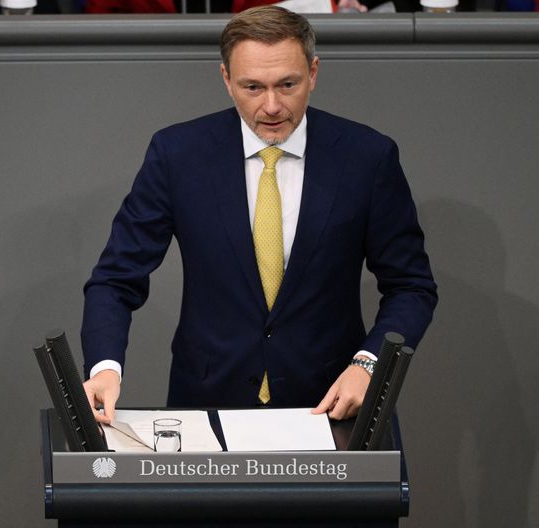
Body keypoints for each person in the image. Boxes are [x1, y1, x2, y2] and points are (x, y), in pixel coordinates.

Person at [81, 5, 437, 425]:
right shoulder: (178, 155)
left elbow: (411, 286)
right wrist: (104, 367)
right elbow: (116, 278)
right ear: (227, 80)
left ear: (314, 73)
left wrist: (369, 365)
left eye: (288, 84)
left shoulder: (367, 157)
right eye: (253, 87)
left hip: (332, 407)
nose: (271, 106)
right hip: (208, 406)